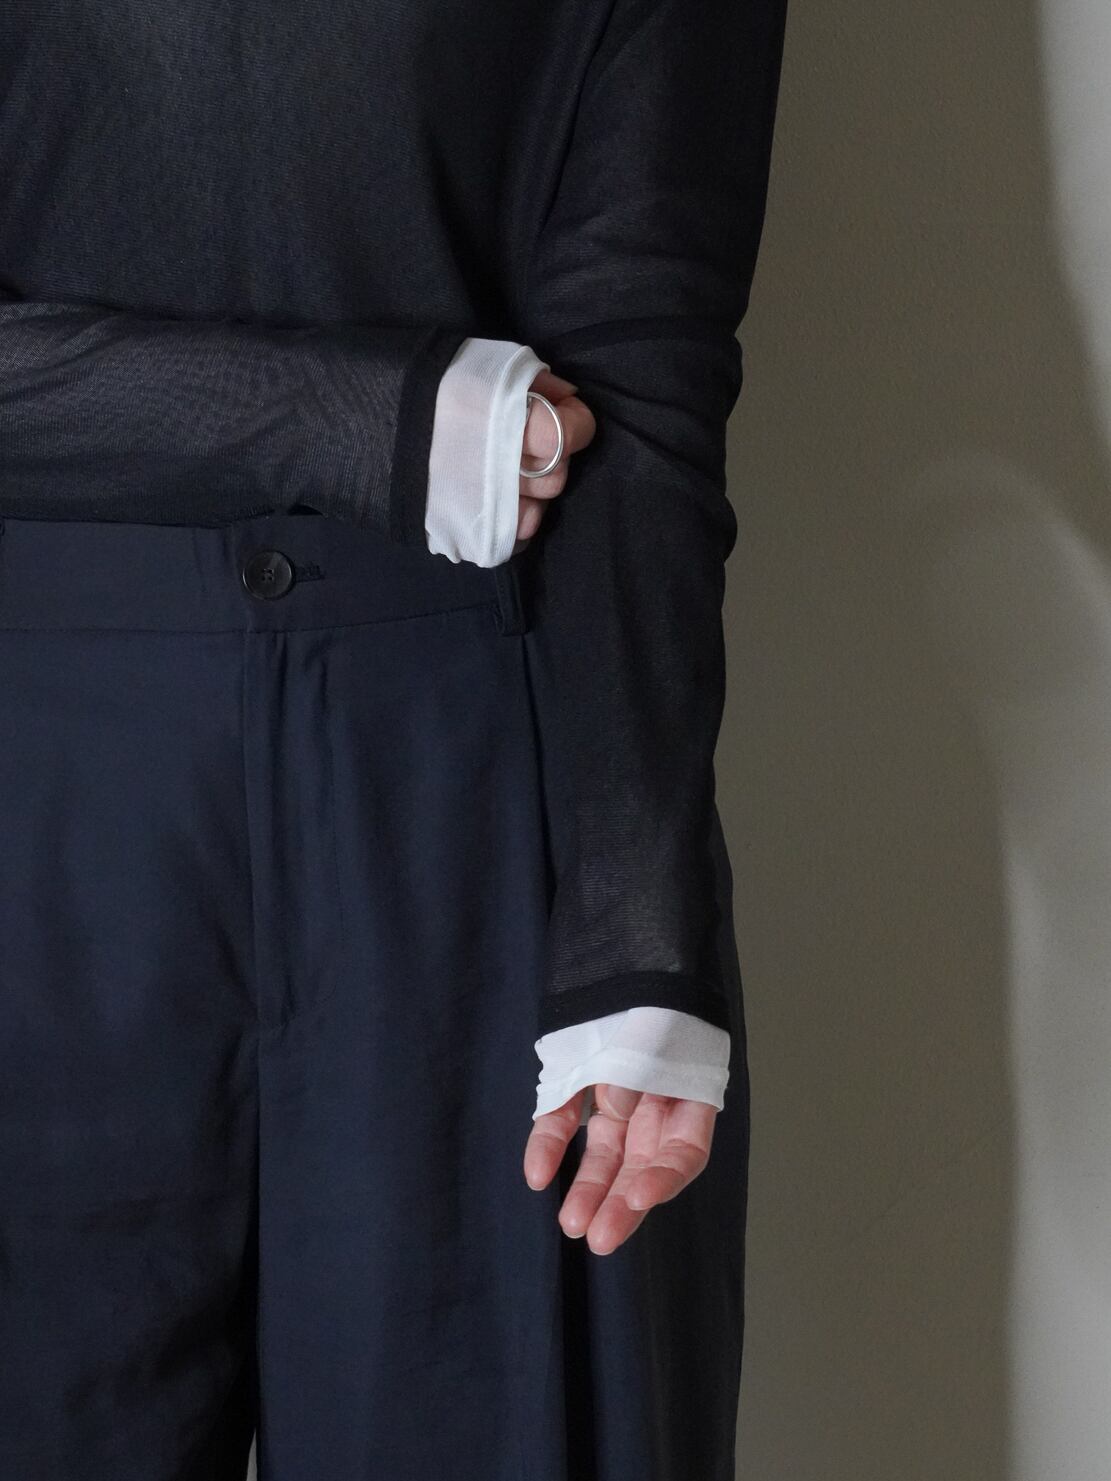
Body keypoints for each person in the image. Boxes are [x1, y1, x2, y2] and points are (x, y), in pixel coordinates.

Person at [0, 1, 789, 1476]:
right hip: (36, 787)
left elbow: (646, 363)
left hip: (482, 782)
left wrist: (635, 932)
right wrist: (351, 416)